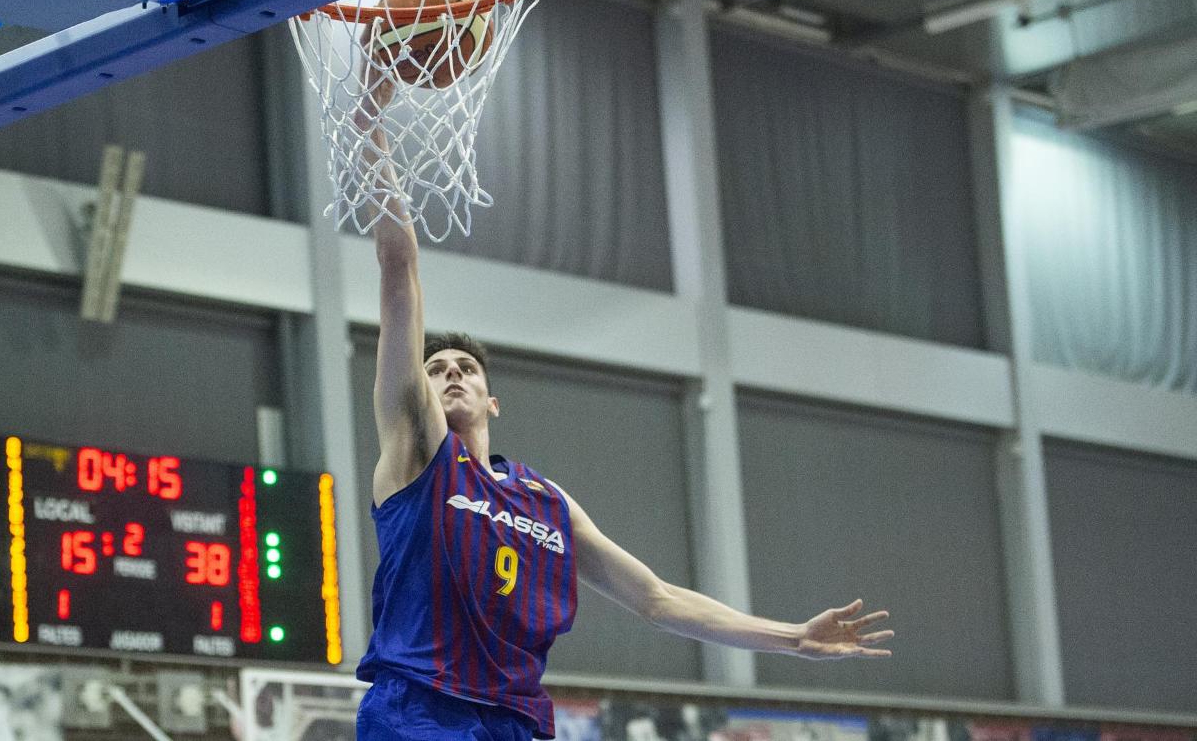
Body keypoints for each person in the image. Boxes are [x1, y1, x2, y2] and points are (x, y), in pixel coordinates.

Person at [351, 51, 894, 741]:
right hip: (419, 710)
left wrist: (792, 637)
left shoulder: (546, 502)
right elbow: (400, 269)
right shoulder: (416, 456)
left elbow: (658, 599)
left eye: (466, 368)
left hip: (516, 721)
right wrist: (371, 121)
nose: (451, 372)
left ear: (493, 401)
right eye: (437, 369)